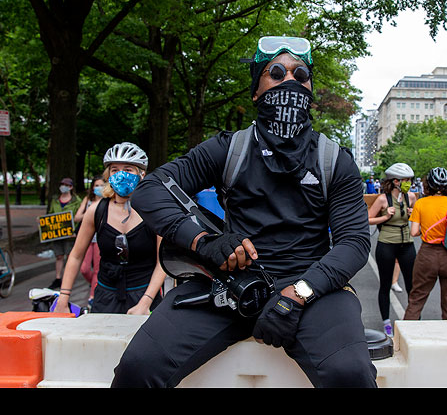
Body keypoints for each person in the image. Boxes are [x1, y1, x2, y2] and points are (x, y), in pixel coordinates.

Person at [110, 36, 377, 388]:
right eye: (276, 73)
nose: (290, 81)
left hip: (311, 288)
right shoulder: (227, 149)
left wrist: (300, 293)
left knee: (351, 374)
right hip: (228, 282)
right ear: (256, 91)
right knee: (138, 366)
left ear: (311, 92)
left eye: (301, 74)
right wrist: (205, 242)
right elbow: (151, 189)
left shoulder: (334, 160)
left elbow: (355, 241)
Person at [53, 143, 165, 315]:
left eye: (128, 169)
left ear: (141, 174)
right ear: (108, 175)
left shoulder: (154, 211)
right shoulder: (96, 211)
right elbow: (75, 256)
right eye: (114, 170)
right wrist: (63, 297)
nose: (121, 175)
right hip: (106, 296)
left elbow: (162, 262)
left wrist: (145, 302)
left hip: (145, 295)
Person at [403, 167, 447, 320]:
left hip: (427, 255)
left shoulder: (421, 203)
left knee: (417, 298)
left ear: (427, 184)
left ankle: (404, 339)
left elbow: (414, 232)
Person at [367, 162, 417, 336]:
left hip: (407, 244)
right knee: (385, 284)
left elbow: (416, 219)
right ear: (396, 181)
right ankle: (386, 322)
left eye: (410, 180)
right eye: (406, 180)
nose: (409, 183)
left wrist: (413, 213)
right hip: (387, 244)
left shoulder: (411, 197)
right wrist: (385, 217)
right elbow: (367, 219)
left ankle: (413, 320)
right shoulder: (382, 199)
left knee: (412, 284)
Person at [74, 176, 105, 307]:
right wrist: (90, 213)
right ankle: (94, 282)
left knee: (98, 269)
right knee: (85, 268)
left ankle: (92, 295)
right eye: (96, 185)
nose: (98, 188)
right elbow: (77, 217)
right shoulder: (88, 201)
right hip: (88, 238)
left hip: (99, 238)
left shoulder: (108, 202)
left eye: (101, 185)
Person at [47, 177, 82, 289]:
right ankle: (58, 278)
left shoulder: (77, 201)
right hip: (57, 233)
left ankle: (68, 279)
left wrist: (75, 231)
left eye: (66, 185)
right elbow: (50, 214)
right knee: (59, 255)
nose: (63, 186)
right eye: (62, 184)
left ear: (71, 187)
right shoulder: (55, 200)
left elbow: (79, 217)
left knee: (69, 255)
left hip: (70, 234)